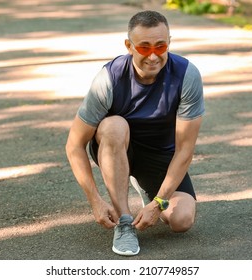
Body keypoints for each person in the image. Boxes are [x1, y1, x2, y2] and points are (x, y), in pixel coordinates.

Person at [65, 10, 204, 256]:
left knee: (182, 221)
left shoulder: (186, 75)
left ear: (169, 42)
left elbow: (185, 149)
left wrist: (159, 203)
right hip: (116, 146)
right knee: (114, 125)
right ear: (129, 46)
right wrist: (95, 201)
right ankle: (124, 221)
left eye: (160, 47)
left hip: (160, 154)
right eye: (144, 47)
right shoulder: (109, 78)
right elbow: (74, 145)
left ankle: (145, 189)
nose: (153, 55)